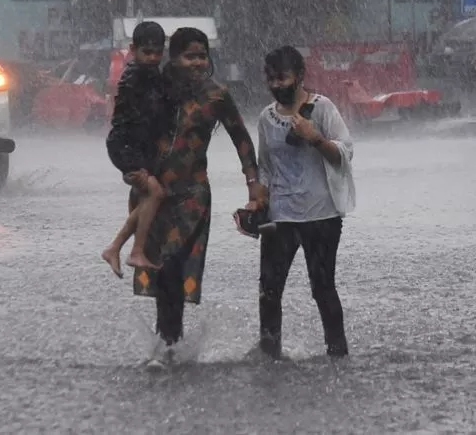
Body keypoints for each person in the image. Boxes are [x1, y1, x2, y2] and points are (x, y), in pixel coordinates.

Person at [133, 27, 260, 363]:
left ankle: (170, 344)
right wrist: (129, 166)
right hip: (153, 195)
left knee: (173, 263)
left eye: (203, 55)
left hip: (192, 196)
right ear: (173, 58)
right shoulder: (155, 90)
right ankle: (168, 342)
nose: (198, 62)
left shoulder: (216, 95)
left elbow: (242, 141)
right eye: (190, 56)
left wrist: (253, 185)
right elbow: (126, 131)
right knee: (160, 269)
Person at [244, 45, 355, 359]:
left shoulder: (322, 108)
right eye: (271, 80)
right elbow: (265, 165)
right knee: (269, 290)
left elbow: (345, 153)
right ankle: (270, 351)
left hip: (322, 215)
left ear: (300, 76)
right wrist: (257, 198)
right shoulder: (266, 118)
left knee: (322, 288)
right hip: (281, 217)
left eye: (283, 78)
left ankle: (337, 352)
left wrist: (315, 137)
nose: (277, 85)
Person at [101, 21, 171, 276]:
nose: (152, 58)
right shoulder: (135, 77)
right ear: (133, 49)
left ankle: (114, 247)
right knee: (155, 193)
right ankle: (136, 252)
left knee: (149, 198)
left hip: (132, 145)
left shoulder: (150, 75)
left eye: (157, 52)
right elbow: (139, 122)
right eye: (146, 52)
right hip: (125, 146)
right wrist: (138, 164)